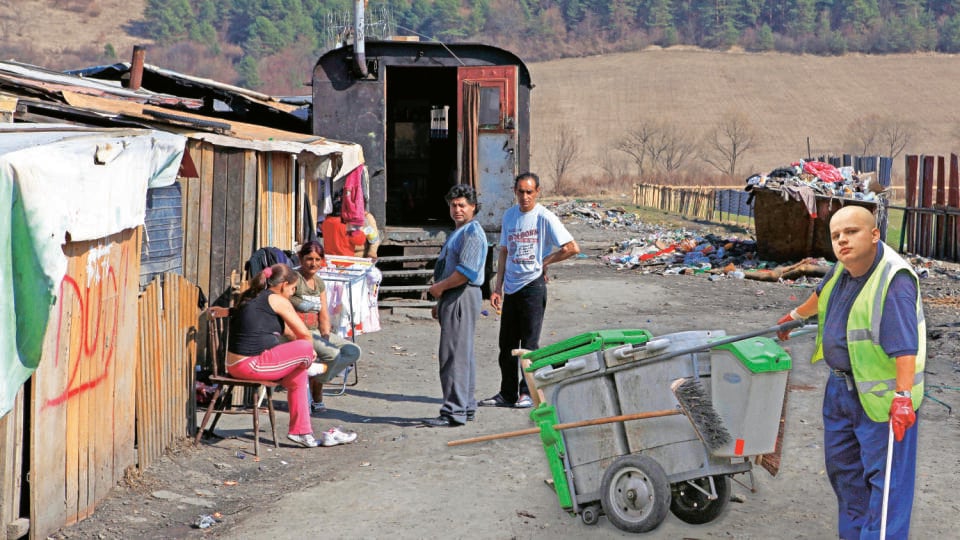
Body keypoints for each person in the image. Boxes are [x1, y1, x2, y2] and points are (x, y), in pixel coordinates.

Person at [777, 205, 924, 539]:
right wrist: (794, 316)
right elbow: (820, 294)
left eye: (851, 232)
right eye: (836, 235)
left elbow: (906, 347)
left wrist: (902, 398)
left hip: (882, 400)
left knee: (885, 487)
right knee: (846, 477)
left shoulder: (893, 281)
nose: (842, 240)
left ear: (874, 235)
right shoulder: (842, 269)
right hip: (840, 391)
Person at [481, 172, 580, 409]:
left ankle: (527, 392)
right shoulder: (510, 216)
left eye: (529, 192)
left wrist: (545, 262)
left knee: (528, 344)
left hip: (533, 287)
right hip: (512, 287)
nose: (524, 197)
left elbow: (571, 248)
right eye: (520, 192)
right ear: (514, 192)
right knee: (506, 344)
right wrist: (497, 288)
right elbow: (504, 251)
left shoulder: (545, 217)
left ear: (537, 192)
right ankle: (507, 393)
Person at [221, 263, 322, 448]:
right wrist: (310, 352)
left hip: (237, 365)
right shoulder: (277, 300)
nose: (292, 293)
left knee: (298, 376)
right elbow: (304, 334)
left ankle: (302, 432)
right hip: (251, 365)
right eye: (292, 289)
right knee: (305, 348)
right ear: (283, 284)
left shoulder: (256, 297)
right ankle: (309, 365)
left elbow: (290, 332)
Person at [422, 185, 487, 427]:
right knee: (462, 354)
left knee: (454, 356)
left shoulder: (472, 233)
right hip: (453, 296)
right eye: (454, 205)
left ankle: (454, 411)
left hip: (461, 294)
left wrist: (440, 289)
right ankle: (465, 406)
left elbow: (466, 272)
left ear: (473, 207)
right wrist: (441, 301)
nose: (457, 209)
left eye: (462, 205)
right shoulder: (459, 231)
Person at [290, 241, 362, 444]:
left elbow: (323, 311)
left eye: (317, 260)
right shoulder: (295, 278)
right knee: (331, 355)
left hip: (315, 331)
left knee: (352, 351)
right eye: (309, 259)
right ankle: (317, 396)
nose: (313, 264)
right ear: (300, 259)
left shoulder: (319, 282)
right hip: (299, 332)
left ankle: (316, 381)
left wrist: (326, 334)